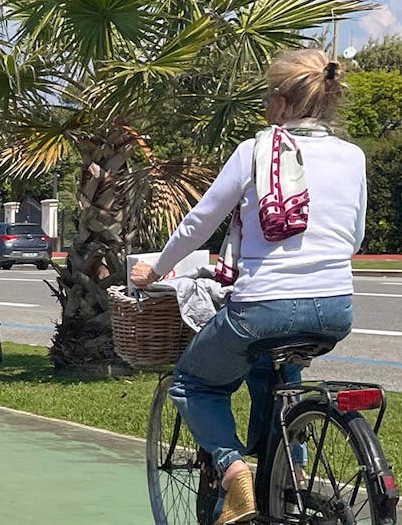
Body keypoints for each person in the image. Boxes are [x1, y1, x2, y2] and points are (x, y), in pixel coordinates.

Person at [131, 48, 364, 525]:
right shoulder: (353, 155)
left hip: (262, 309)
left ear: (280, 102)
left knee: (193, 383)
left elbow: (200, 223)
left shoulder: (255, 150)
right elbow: (353, 236)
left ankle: (234, 471)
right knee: (278, 377)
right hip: (335, 309)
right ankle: (288, 477)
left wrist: (155, 270)